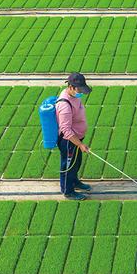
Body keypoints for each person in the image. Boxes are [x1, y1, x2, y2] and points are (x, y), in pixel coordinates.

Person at [56, 72, 93, 200]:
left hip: (77, 139)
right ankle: (68, 191)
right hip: (69, 141)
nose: (81, 93)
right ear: (71, 87)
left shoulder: (74, 96)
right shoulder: (64, 105)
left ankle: (75, 181)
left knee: (76, 163)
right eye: (79, 90)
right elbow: (65, 130)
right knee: (68, 166)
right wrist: (80, 144)